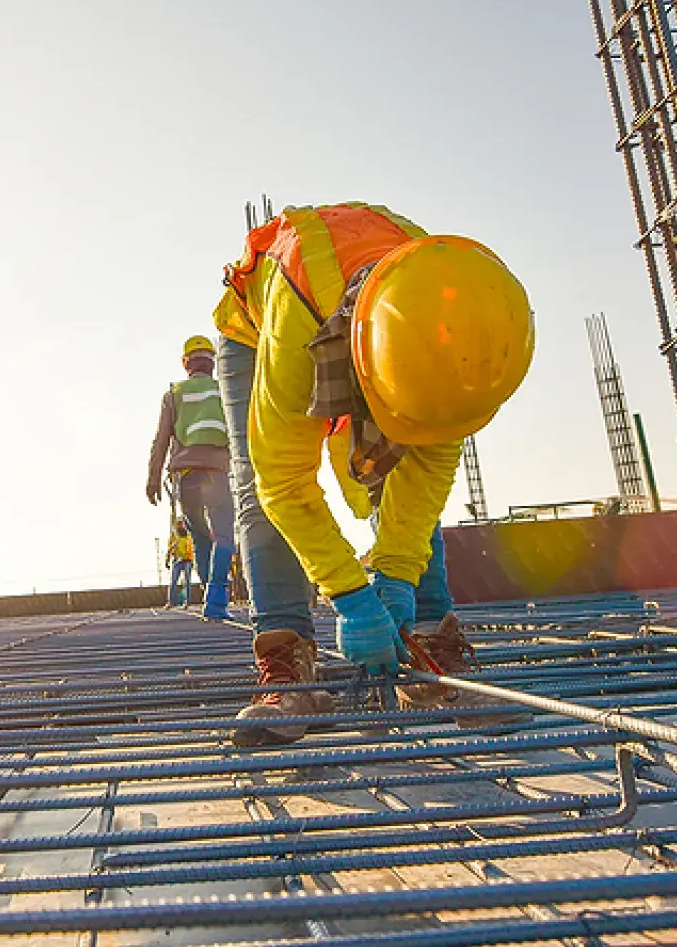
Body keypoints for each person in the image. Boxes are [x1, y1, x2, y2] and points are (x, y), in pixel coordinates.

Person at [212, 202, 534, 746]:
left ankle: (428, 644)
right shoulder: (297, 328)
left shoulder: (458, 325)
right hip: (265, 326)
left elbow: (427, 470)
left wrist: (398, 577)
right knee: (254, 486)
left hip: (378, 314)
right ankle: (290, 666)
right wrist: (351, 595)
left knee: (402, 460)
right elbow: (283, 481)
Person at [146, 335, 237, 619]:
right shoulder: (224, 390)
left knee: (200, 537)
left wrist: (152, 479)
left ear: (186, 363)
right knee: (224, 536)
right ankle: (217, 600)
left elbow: (161, 441)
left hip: (186, 477)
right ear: (213, 363)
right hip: (218, 474)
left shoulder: (174, 393)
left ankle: (209, 593)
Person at [166, 517, 195, 607]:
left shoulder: (189, 535)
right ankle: (170, 602)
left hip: (188, 560)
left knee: (187, 580)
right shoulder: (173, 537)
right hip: (178, 560)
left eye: (181, 524)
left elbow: (192, 548)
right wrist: (167, 560)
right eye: (178, 524)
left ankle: (187, 602)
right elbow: (169, 549)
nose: (180, 526)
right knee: (173, 581)